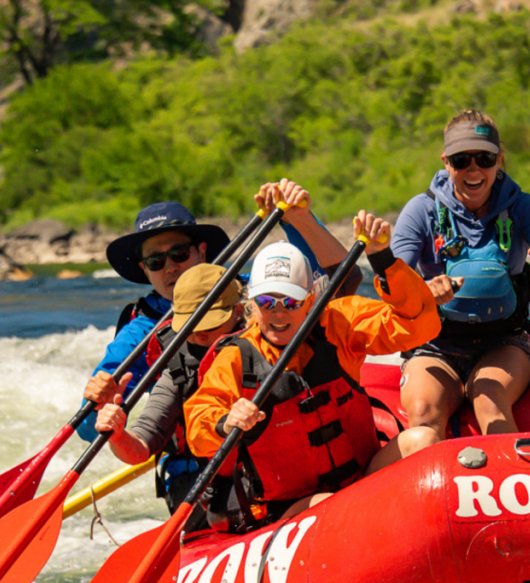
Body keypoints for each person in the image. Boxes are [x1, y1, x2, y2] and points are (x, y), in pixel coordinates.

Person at [185, 214, 442, 528]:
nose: (278, 312)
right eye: (267, 301)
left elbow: (419, 325)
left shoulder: (337, 323)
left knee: (424, 438)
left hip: (360, 479)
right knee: (330, 505)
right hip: (291, 508)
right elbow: (199, 419)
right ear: (253, 305)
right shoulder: (237, 358)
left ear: (309, 300)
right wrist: (226, 422)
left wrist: (382, 258)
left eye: (290, 302)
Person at [78, 180, 358, 441]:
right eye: (155, 261)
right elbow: (89, 432)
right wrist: (100, 408)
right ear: (144, 269)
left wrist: (299, 219)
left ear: (201, 251)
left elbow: (340, 279)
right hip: (205, 459)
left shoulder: (253, 294)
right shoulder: (138, 334)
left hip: (287, 430)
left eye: (179, 254)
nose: (171, 267)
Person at [390, 109, 530, 439]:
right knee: (422, 413)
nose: (473, 169)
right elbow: (393, 283)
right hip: (435, 345)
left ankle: (512, 478)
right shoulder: (421, 210)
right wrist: (423, 291)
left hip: (503, 342)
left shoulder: (523, 206)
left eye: (484, 159)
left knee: (489, 400)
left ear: (500, 160)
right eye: (462, 160)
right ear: (446, 162)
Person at [88, 262, 246, 526]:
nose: (199, 335)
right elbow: (139, 448)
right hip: (225, 497)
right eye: (191, 326)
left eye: (209, 325)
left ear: (239, 311)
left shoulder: (272, 337)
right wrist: (117, 435)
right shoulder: (179, 367)